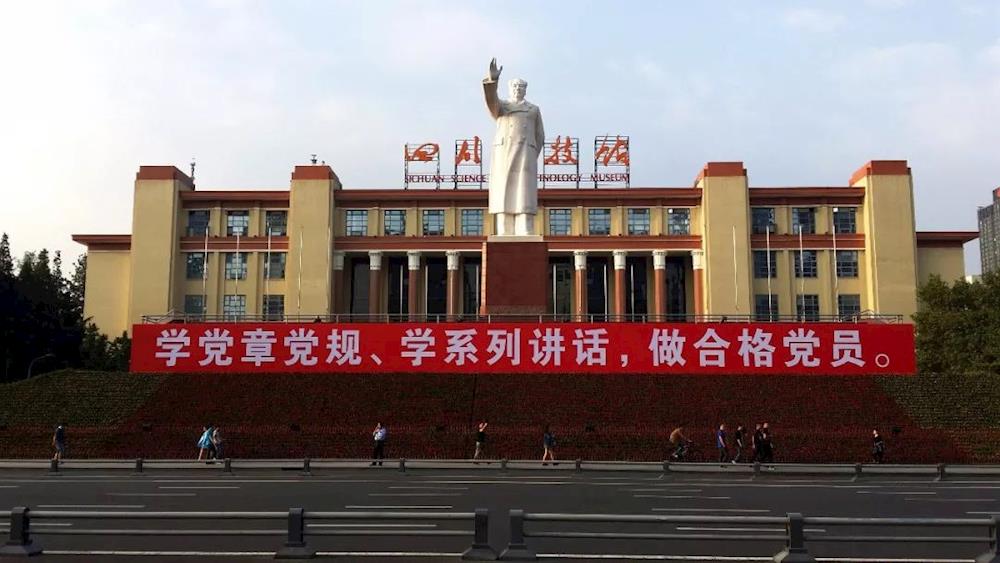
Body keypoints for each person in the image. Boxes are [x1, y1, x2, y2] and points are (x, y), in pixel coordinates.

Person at [482, 57, 545, 236]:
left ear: (525, 90)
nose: (518, 89)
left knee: (523, 193)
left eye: (521, 87)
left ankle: (525, 227)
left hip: (525, 154)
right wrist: (493, 80)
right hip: (504, 154)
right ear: (510, 89)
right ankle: (504, 229)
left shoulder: (533, 109)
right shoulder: (501, 107)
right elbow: (491, 102)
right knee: (504, 192)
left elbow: (540, 135)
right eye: (515, 87)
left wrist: (531, 154)